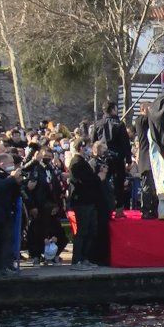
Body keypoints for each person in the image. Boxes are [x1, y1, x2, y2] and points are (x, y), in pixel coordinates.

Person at [90, 101, 132, 218]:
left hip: (102, 159)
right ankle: (119, 210)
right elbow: (125, 144)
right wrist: (128, 159)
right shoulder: (119, 124)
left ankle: (102, 207)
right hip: (117, 158)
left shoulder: (97, 124)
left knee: (102, 183)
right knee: (118, 184)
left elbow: (93, 142)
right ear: (113, 109)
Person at [68, 139, 103, 271]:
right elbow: (83, 181)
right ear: (82, 148)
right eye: (87, 146)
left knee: (91, 230)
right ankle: (77, 259)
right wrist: (97, 177)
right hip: (82, 202)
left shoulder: (83, 163)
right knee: (82, 231)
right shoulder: (77, 163)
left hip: (89, 201)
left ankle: (85, 258)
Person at [0, 153, 22, 277]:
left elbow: (16, 193)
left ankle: (4, 266)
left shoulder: (7, 175)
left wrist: (17, 182)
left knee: (7, 240)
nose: (13, 166)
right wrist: (11, 179)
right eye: (10, 163)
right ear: (1, 163)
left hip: (6, 212)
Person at [135, 102, 158, 219]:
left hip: (154, 160)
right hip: (146, 160)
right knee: (147, 187)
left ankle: (154, 209)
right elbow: (149, 119)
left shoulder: (150, 121)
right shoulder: (140, 120)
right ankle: (145, 210)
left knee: (154, 187)